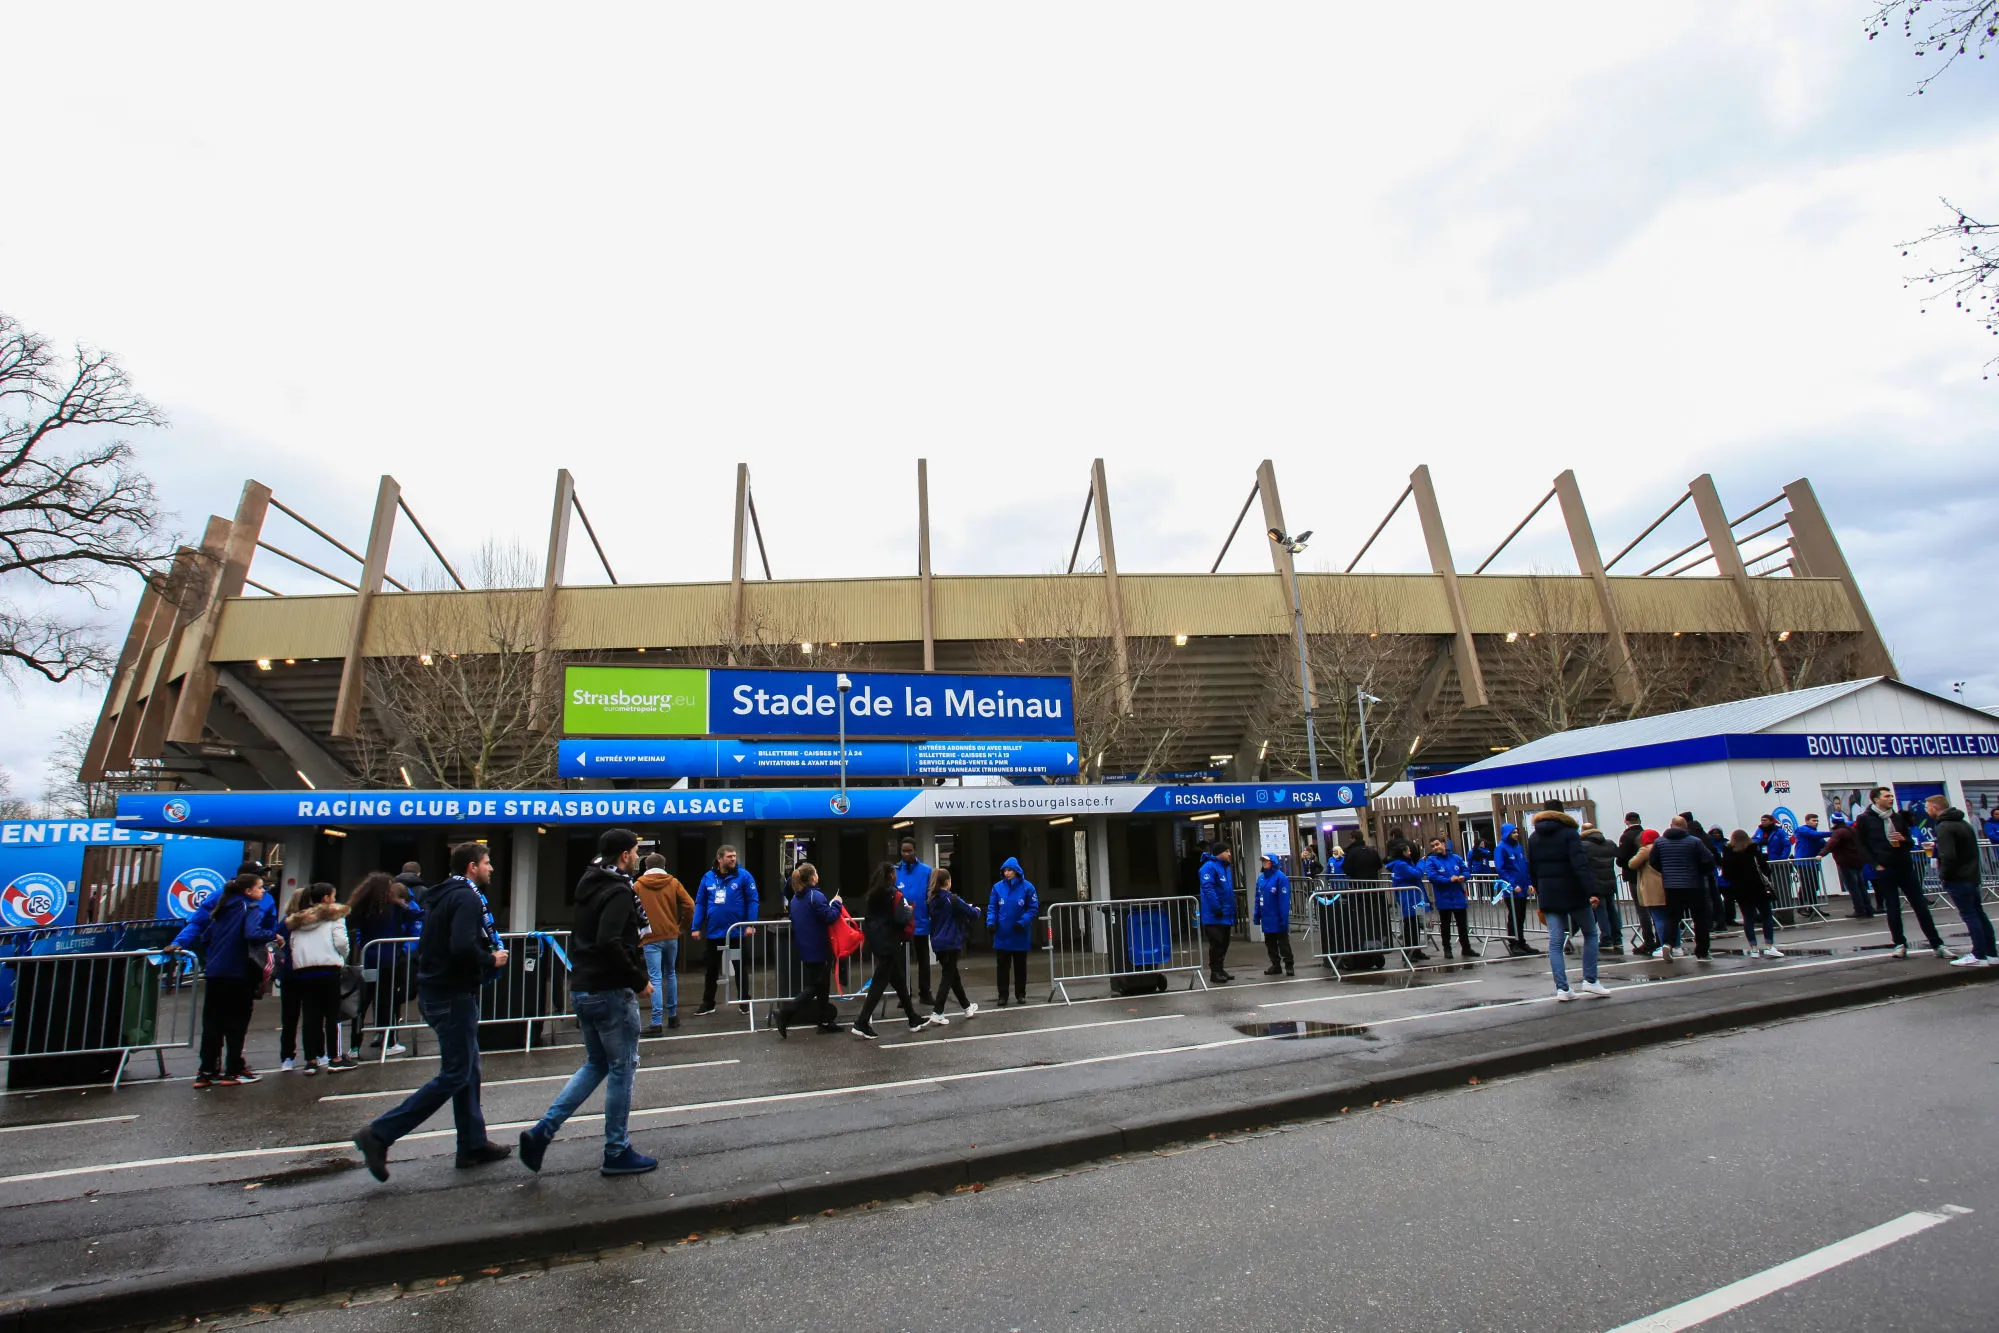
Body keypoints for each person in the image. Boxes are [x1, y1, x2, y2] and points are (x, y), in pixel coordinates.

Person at [351, 841, 513, 1182]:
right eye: (487, 862)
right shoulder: (467, 898)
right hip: (452, 994)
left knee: (469, 1070)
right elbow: (461, 945)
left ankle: (472, 1143)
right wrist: (491, 959)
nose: (491, 868)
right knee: (456, 1073)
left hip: (440, 990)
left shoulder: (443, 895)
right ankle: (379, 1133)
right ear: (472, 867)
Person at [520, 829, 658, 1177]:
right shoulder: (618, 890)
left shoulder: (589, 884)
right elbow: (610, 941)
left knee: (596, 1063)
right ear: (624, 855)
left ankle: (542, 1131)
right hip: (610, 989)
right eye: (635, 851)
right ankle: (616, 1149)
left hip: (583, 985)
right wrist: (638, 979)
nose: (638, 857)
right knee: (622, 1068)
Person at [175, 870, 278, 1088]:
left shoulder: (220, 906)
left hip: (215, 970)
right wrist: (273, 936)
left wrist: (179, 943)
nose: (264, 890)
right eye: (260, 886)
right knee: (237, 1022)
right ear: (248, 889)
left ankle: (206, 1070)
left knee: (212, 1022)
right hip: (239, 970)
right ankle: (233, 1070)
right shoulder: (250, 907)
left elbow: (202, 930)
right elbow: (252, 933)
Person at [1857, 786, 1953, 960]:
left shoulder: (1898, 817)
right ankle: (1899, 944)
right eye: (1887, 796)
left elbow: (1909, 841)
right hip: (1885, 867)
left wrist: (1904, 840)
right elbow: (1861, 844)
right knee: (1893, 907)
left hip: (1904, 865)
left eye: (1891, 796)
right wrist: (1875, 864)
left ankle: (1937, 943)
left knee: (1920, 905)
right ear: (1875, 799)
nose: (1891, 799)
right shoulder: (1865, 819)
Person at [1526, 801, 1609, 1000]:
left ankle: (1562, 988)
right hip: (1573, 891)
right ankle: (1590, 980)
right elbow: (1580, 864)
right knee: (1590, 933)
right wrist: (1592, 891)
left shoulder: (1534, 837)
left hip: (1549, 893)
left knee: (1555, 942)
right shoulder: (1570, 834)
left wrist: (1539, 888)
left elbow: (1532, 867)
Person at [851, 862, 935, 1039]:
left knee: (898, 981)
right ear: (891, 875)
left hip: (877, 941)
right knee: (879, 984)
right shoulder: (893, 894)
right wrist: (910, 911)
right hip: (889, 942)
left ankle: (913, 1018)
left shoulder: (873, 895)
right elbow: (900, 917)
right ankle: (862, 1022)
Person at [345, 871, 424, 1057]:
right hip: (389, 960)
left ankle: (354, 1047)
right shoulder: (395, 908)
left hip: (368, 959)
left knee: (362, 1004)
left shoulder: (362, 908)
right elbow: (419, 915)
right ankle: (387, 1042)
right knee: (386, 1002)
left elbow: (350, 925)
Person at [284, 882, 354, 1074]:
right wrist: (343, 956)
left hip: (304, 970)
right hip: (328, 967)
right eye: (332, 895)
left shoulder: (297, 920)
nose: (334, 898)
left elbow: (293, 944)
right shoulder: (334, 917)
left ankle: (311, 1060)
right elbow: (341, 941)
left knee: (310, 1015)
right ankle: (334, 1058)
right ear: (325, 898)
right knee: (332, 1014)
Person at [772, 863, 845, 1036]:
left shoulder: (796, 899)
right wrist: (837, 904)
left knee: (820, 986)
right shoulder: (815, 896)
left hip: (806, 946)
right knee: (817, 986)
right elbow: (828, 917)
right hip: (818, 946)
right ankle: (786, 1013)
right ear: (813, 877)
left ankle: (824, 1020)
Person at [1925, 795, 1995, 967]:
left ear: (1935, 807)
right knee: (1978, 914)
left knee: (1970, 915)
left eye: (1928, 807)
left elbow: (1948, 855)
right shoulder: (1964, 824)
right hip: (1971, 876)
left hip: (1958, 878)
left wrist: (1944, 875)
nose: (1926, 811)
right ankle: (1991, 953)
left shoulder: (1944, 826)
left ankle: (1978, 954)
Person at [692, 845, 758, 1016]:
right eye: (729, 856)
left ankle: (744, 1001)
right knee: (711, 969)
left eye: (734, 856)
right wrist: (696, 927)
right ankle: (708, 1002)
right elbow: (700, 903)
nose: (733, 859)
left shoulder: (744, 876)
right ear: (719, 859)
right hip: (714, 932)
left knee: (740, 967)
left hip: (736, 931)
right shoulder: (708, 877)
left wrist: (750, 924)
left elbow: (752, 901)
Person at [633, 854, 694, 1034]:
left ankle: (656, 1021)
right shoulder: (673, 882)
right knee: (670, 974)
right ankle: (673, 1015)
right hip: (670, 934)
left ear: (645, 866)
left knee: (655, 977)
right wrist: (680, 927)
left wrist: (637, 932)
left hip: (650, 936)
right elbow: (690, 905)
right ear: (664, 865)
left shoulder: (638, 885)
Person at [1650, 816, 1716, 959]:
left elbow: (1653, 861)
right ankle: (1702, 951)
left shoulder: (1660, 842)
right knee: (1699, 919)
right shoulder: (1694, 842)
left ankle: (1667, 943)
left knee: (1672, 917)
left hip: (1671, 884)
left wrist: (1665, 871)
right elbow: (1708, 859)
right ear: (1685, 827)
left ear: (1671, 825)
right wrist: (1700, 872)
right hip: (1693, 883)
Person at [924, 868, 980, 1018]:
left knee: (953, 975)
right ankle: (937, 1011)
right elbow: (972, 913)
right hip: (951, 941)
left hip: (937, 942)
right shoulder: (952, 899)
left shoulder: (932, 900)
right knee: (948, 976)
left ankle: (967, 1007)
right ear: (948, 881)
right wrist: (977, 909)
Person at [1721, 830, 1783, 958]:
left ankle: (1754, 948)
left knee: (1748, 918)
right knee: (1766, 916)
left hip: (1740, 890)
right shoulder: (1753, 850)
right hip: (1758, 887)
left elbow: (1726, 874)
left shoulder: (1728, 853)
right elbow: (1765, 868)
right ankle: (1769, 946)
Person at [986, 857, 1039, 1006]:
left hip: (1020, 933)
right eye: (1005, 870)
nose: (1007, 873)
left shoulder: (1028, 887)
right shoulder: (997, 887)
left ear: (1016, 871)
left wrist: (1023, 922)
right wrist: (990, 922)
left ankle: (1020, 994)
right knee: (1002, 967)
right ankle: (1002, 995)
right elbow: (992, 907)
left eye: (1009, 870)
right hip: (1002, 934)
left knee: (1020, 966)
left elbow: (1033, 907)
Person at [894, 839, 936, 1006]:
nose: (907, 854)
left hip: (921, 921)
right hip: (902, 923)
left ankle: (925, 993)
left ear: (915, 851)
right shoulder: (895, 871)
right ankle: (905, 995)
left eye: (909, 851)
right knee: (902, 961)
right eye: (904, 851)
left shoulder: (926, 871)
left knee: (923, 960)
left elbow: (931, 894)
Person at [1418, 836, 1474, 960]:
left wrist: (1463, 877)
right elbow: (1433, 877)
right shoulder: (1432, 861)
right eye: (1432, 846)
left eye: (1437, 844)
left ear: (1443, 844)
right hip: (1444, 897)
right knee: (1445, 925)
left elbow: (1466, 871)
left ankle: (1466, 948)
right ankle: (1447, 949)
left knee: (1462, 925)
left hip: (1458, 896)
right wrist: (1449, 880)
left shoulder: (1456, 858)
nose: (1435, 847)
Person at [1614, 812, 1658, 956]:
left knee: (1642, 910)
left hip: (1634, 876)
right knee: (1655, 910)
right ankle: (1660, 939)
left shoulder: (1626, 837)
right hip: (1653, 876)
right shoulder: (1646, 834)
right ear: (1639, 820)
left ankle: (1649, 941)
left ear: (1626, 821)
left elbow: (1621, 858)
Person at [1578, 823, 1625, 956]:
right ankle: (1617, 938)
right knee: (1612, 910)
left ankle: (1606, 939)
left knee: (1601, 911)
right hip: (1610, 881)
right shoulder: (1609, 843)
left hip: (1595, 882)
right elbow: (1618, 856)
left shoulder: (1583, 846)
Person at [1494, 823, 1535, 956]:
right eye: (1513, 833)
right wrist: (1512, 884)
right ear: (1507, 834)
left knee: (1521, 915)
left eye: (1517, 832)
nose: (1516, 835)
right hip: (1511, 888)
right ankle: (1514, 942)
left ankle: (1521, 941)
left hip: (1522, 886)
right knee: (1514, 915)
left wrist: (1529, 883)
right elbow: (1501, 869)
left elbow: (1525, 865)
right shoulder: (1501, 848)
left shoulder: (1518, 847)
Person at [1197, 844, 1236, 983]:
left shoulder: (1225, 867)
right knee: (1217, 943)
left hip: (1225, 913)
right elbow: (1208, 889)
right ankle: (1215, 971)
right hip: (1214, 915)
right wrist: (1216, 907)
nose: (1230, 854)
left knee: (1224, 942)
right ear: (1219, 853)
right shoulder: (1208, 867)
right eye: (1227, 851)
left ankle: (1220, 969)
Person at [1387, 846, 1430, 963]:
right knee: (1410, 924)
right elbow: (1417, 874)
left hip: (1414, 896)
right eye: (1408, 850)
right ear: (1403, 852)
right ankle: (1409, 952)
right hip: (1408, 896)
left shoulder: (1405, 863)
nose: (1410, 852)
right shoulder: (1401, 865)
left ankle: (1416, 950)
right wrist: (1421, 862)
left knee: (1415, 923)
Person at [1255, 853, 1295, 976]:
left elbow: (1283, 900)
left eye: (1267, 861)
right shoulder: (1261, 878)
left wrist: (1283, 918)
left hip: (1277, 917)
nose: (1264, 863)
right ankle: (1275, 964)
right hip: (1266, 917)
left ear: (1273, 862)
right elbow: (1258, 898)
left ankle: (1289, 965)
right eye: (1263, 861)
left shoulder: (1280, 877)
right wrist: (1257, 915)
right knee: (1270, 943)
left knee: (1283, 943)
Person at [1825, 816, 1873, 917]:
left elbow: (1831, 844)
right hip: (1858, 861)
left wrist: (1821, 854)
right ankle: (1868, 909)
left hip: (1846, 862)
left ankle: (1860, 910)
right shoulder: (1852, 830)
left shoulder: (1838, 832)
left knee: (1853, 888)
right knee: (1861, 887)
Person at [1629, 830, 1667, 951]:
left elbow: (1632, 864)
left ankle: (1663, 945)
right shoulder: (1664, 846)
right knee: (1669, 919)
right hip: (1666, 885)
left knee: (1658, 918)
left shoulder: (1646, 850)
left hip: (1652, 888)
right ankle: (1675, 945)